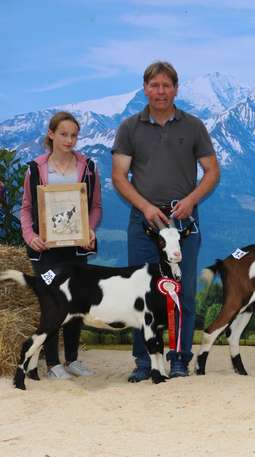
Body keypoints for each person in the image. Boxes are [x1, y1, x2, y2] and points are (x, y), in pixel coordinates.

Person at [111, 61, 220, 381]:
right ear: (145, 88)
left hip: (183, 221)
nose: (160, 92)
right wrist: (144, 206)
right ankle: (143, 362)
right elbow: (119, 177)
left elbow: (212, 172)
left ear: (176, 88)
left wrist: (191, 200)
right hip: (143, 222)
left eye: (166, 86)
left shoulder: (194, 126)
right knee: (141, 293)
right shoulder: (130, 127)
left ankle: (179, 358)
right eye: (154, 86)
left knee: (183, 292)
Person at [19, 111, 102, 379]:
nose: (69, 140)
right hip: (46, 249)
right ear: (51, 135)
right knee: (53, 304)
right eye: (64, 134)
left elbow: (96, 207)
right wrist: (31, 236)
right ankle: (53, 363)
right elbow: (26, 209)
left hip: (77, 247)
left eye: (74, 135)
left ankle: (73, 360)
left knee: (77, 303)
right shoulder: (35, 169)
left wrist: (90, 228)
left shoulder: (88, 167)